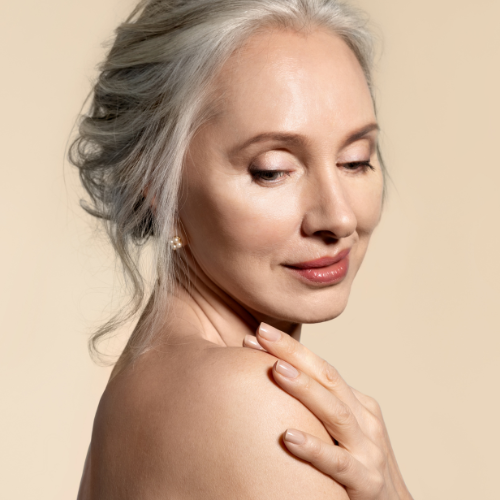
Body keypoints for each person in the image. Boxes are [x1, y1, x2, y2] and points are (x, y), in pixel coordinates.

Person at [72, 0, 413, 498]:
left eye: (356, 161)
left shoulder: (148, 384)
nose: (338, 218)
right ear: (154, 182)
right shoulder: (251, 404)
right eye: (271, 170)